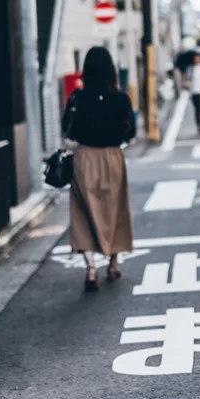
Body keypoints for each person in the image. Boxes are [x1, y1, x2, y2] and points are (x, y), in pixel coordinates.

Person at [62, 46, 135, 292]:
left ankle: (91, 267)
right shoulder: (121, 99)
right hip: (113, 157)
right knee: (115, 210)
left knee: (83, 211)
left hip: (84, 157)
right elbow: (130, 131)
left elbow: (68, 129)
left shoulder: (78, 98)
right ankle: (113, 264)